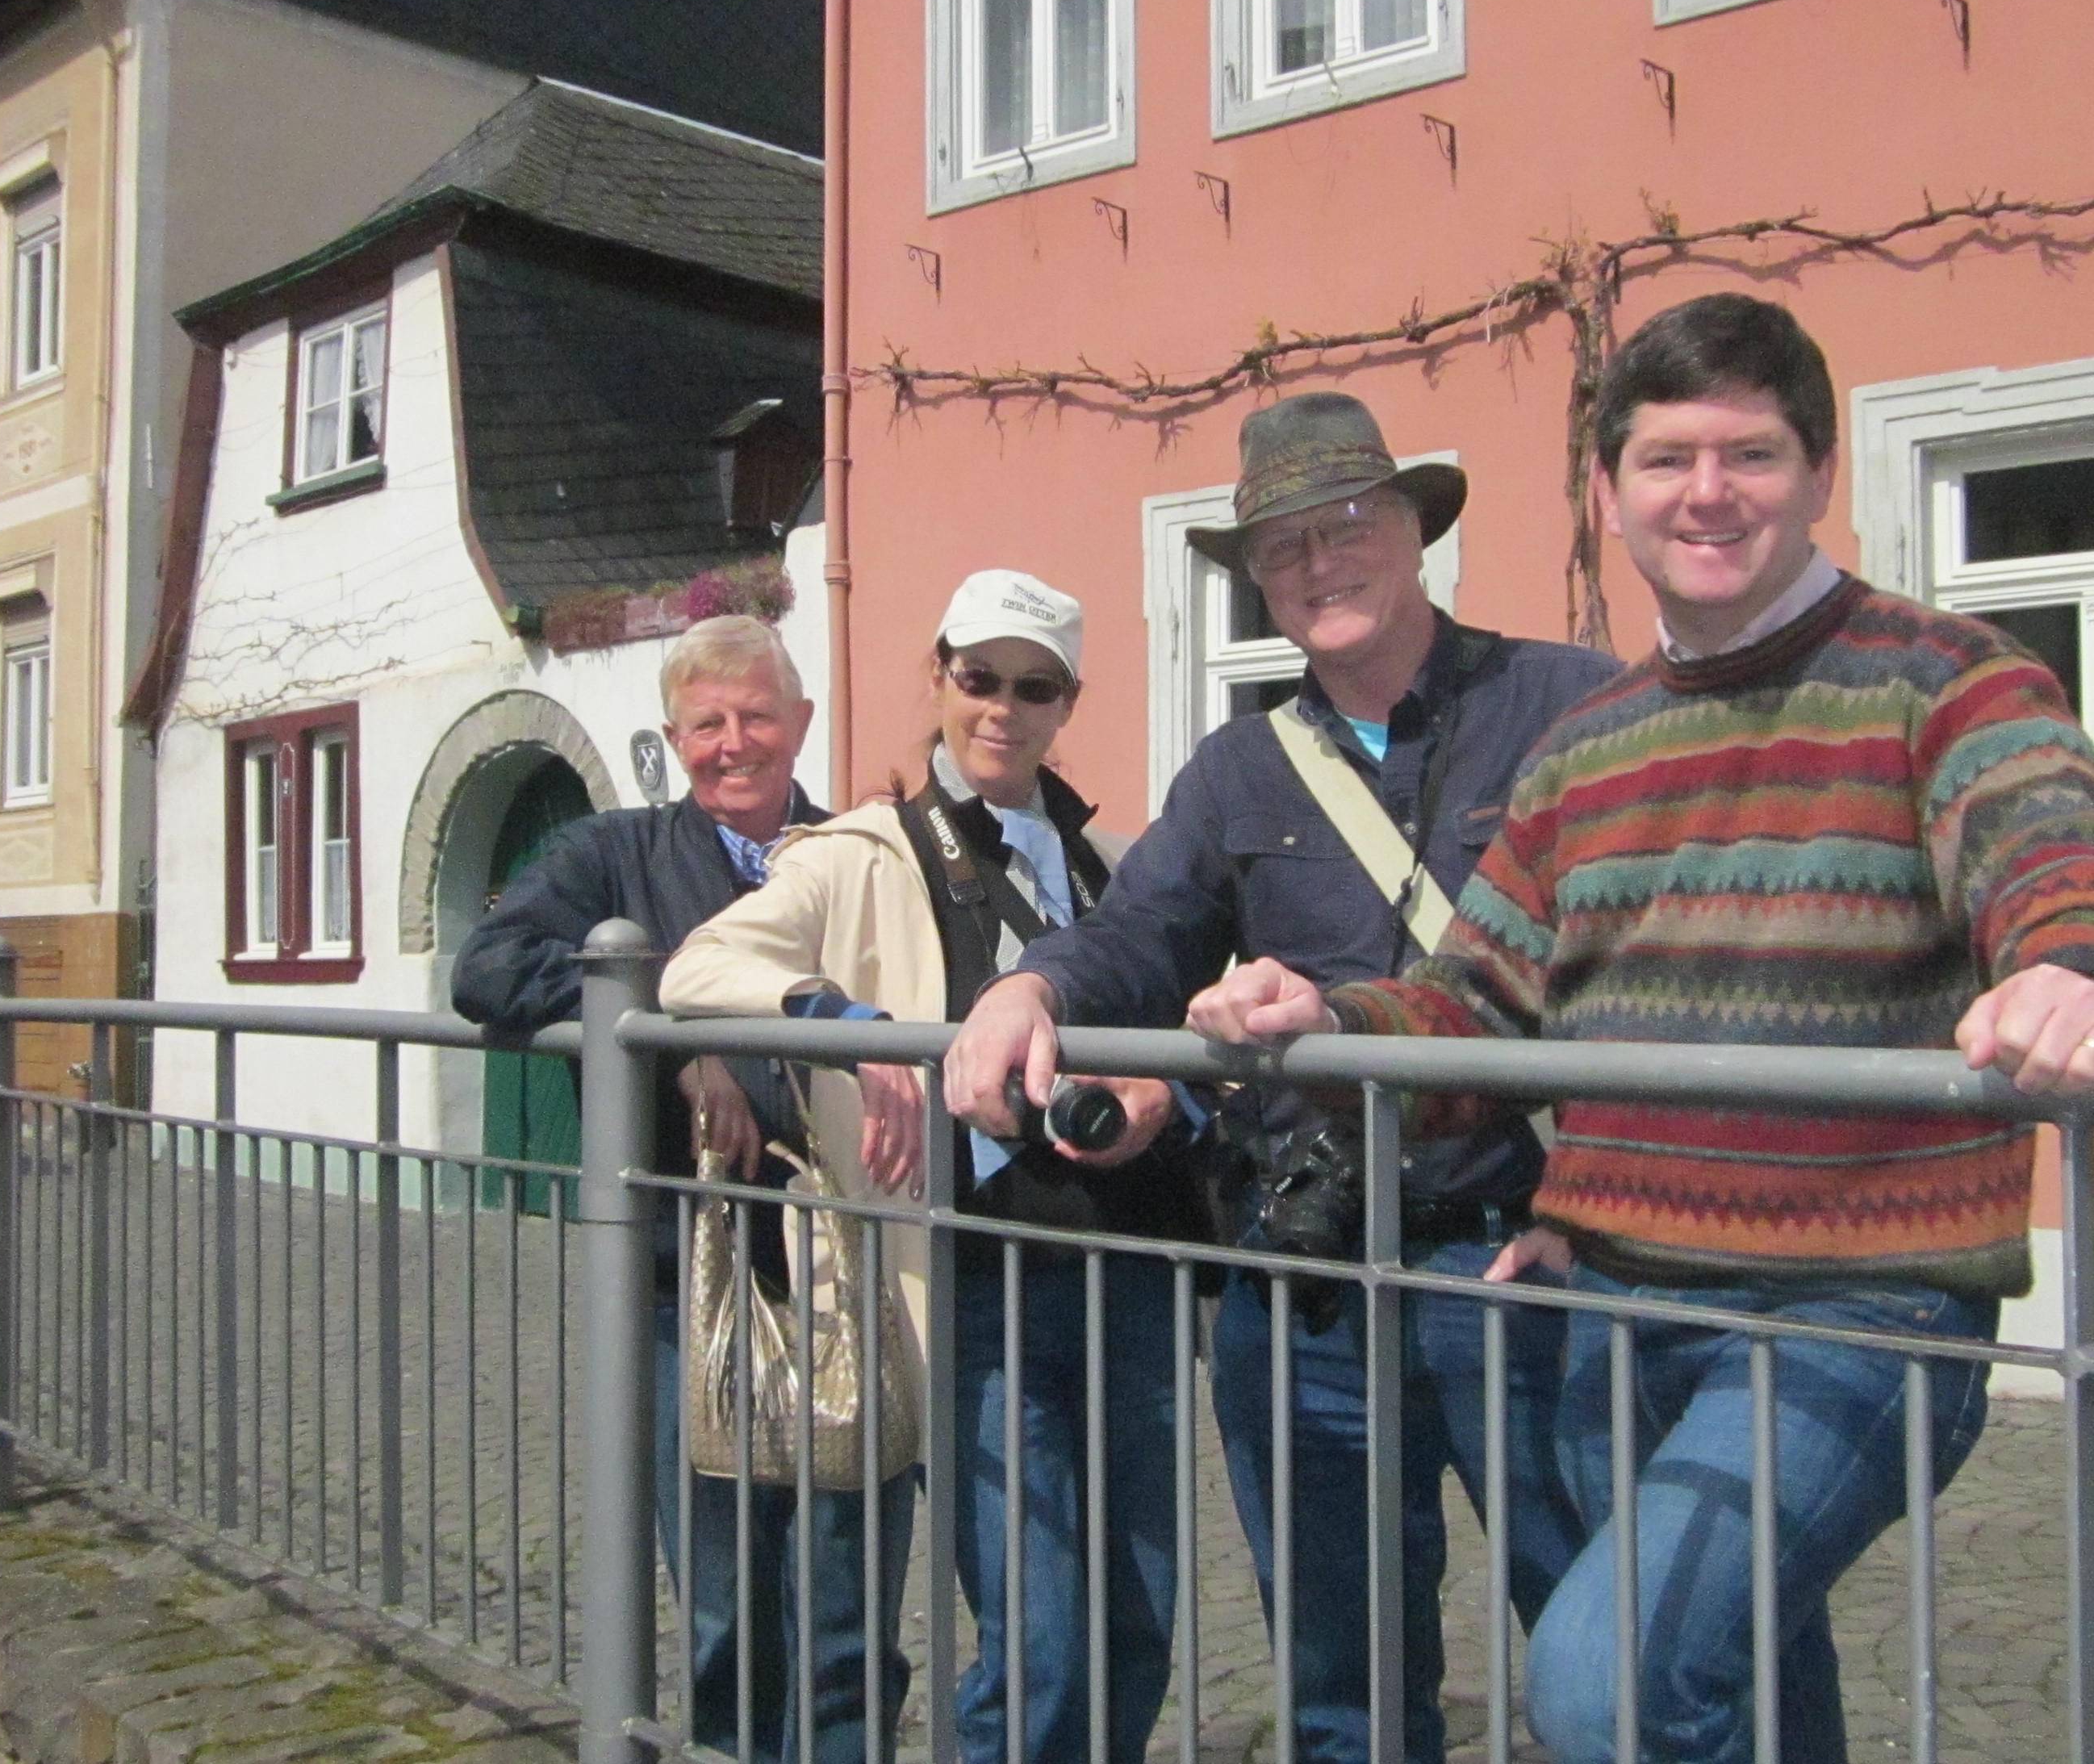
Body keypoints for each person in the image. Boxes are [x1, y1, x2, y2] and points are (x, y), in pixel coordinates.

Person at [1184, 294, 2094, 1764]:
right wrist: (1324, 1017)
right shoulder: (1587, 748)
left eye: (1750, 455)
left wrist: (2082, 967)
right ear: (1607, 493)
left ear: (1819, 473)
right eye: (1665, 461)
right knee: (1751, 1683)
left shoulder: (1949, 679)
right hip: (1612, 1308)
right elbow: (1478, 1005)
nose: (1706, 494)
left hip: (1858, 1312)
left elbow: (2053, 852)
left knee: (1608, 1678)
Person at [943, 394, 1616, 1764]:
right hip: (1303, 1285)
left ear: (1415, 531)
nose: (1320, 562)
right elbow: (1141, 929)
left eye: (1349, 524)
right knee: (1338, 1679)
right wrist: (1034, 987)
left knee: (1612, 1651)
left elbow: (1658, 961)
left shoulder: (1568, 702)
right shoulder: (1241, 768)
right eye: (1283, 548)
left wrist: (1604, 1193)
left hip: (1526, 1264)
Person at [664, 571, 1202, 1764]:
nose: (1001, 709)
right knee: (1038, 1628)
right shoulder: (865, 851)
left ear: (1069, 702)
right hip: (976, 1287)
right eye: (978, 680)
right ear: (940, 679)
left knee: (1141, 1616)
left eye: (1034, 687)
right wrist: (848, 1024)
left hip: (1129, 1275)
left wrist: (1165, 1094)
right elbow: (700, 968)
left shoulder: (1109, 865)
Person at [449, 617, 907, 1764]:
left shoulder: (859, 851)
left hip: (853, 1273)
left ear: (802, 724)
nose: (734, 743)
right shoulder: (616, 852)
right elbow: (490, 967)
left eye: (758, 716)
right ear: (674, 739)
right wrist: (678, 1034)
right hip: (688, 1284)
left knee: (849, 1599)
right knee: (722, 1596)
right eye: (708, 724)